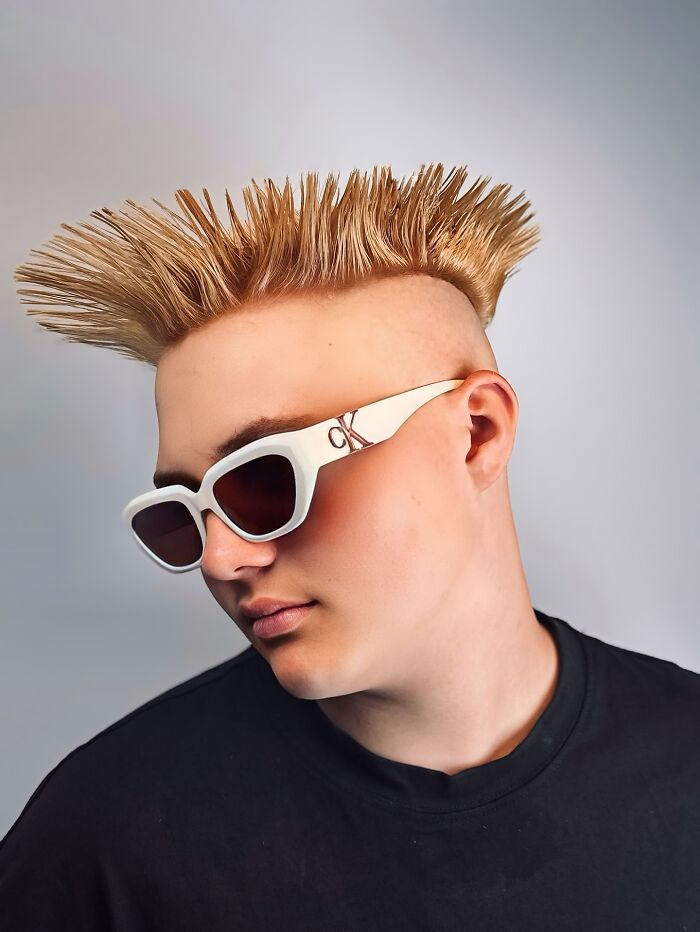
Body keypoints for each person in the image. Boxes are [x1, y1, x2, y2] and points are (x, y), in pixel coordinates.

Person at [1, 163, 698, 930]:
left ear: (478, 432)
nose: (220, 559)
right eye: (181, 514)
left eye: (265, 478)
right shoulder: (101, 842)